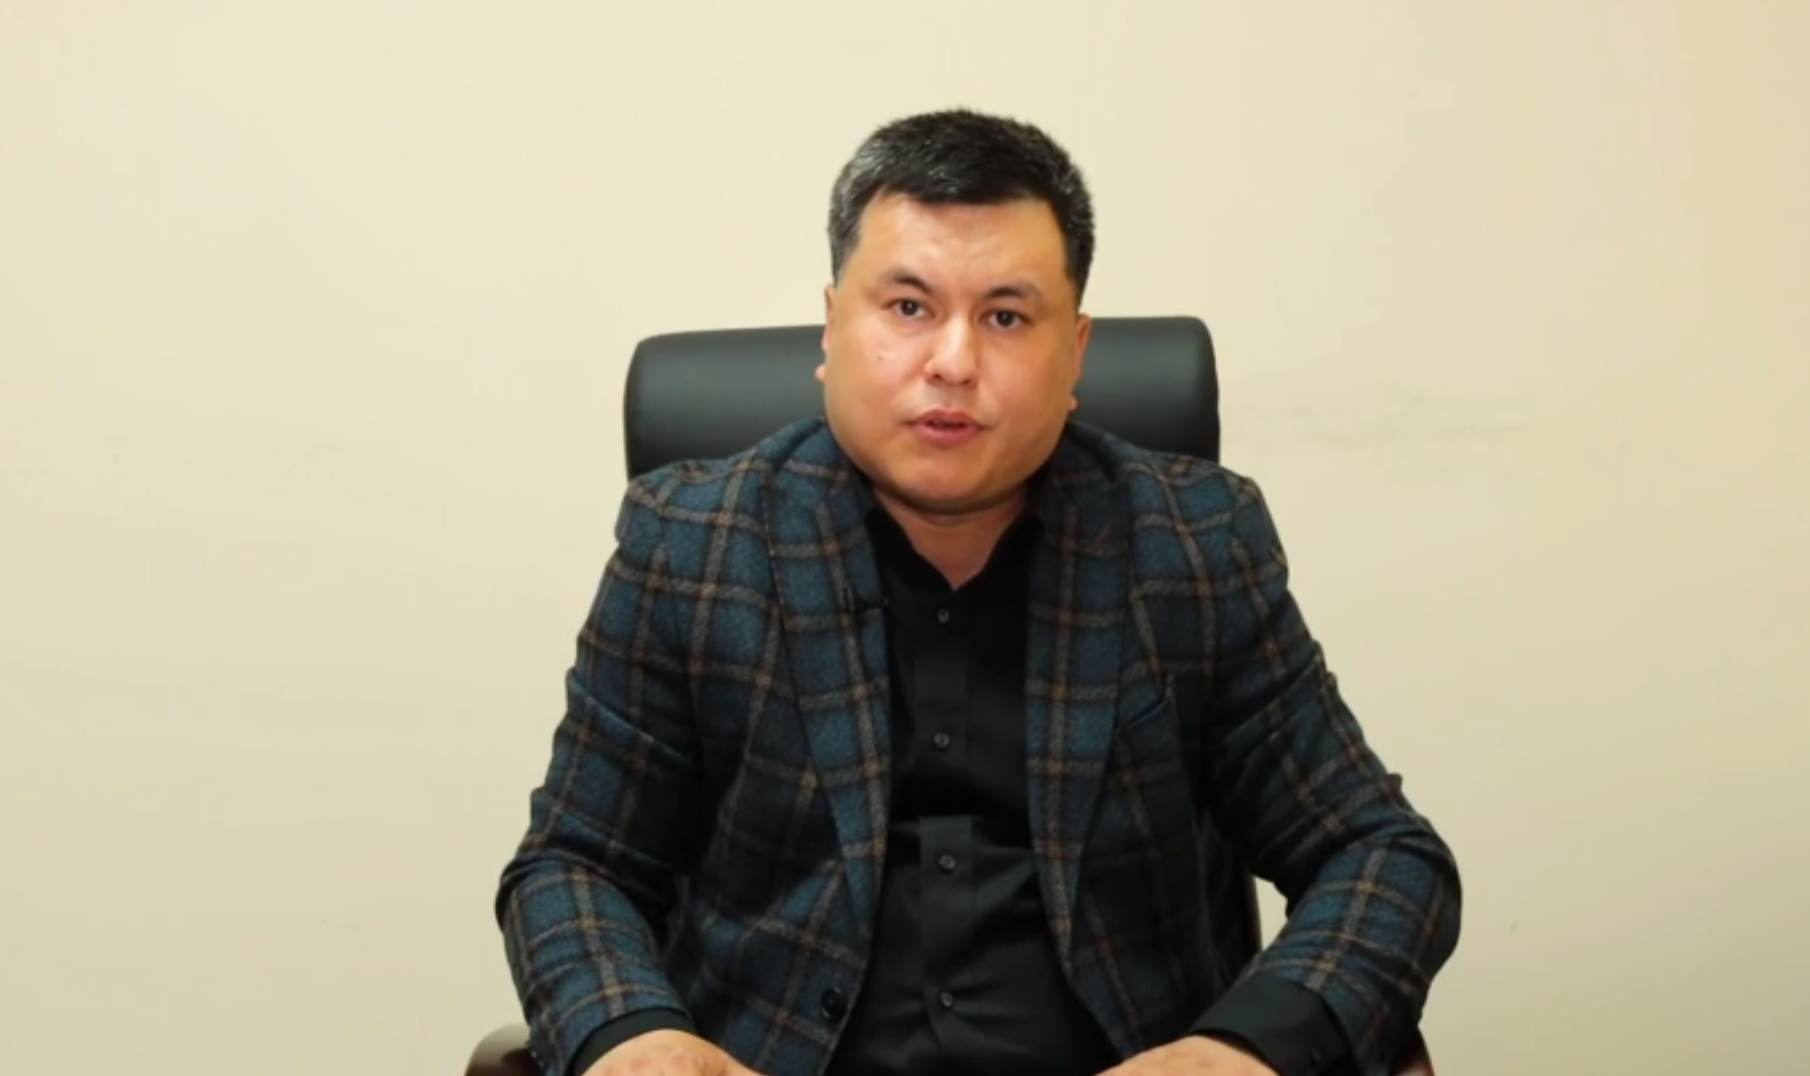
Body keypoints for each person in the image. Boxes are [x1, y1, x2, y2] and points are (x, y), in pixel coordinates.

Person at [495, 108, 1461, 1076]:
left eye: (1005, 317)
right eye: (908, 307)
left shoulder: (1192, 544)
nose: (952, 362)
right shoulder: (692, 544)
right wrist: (636, 1038)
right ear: (831, 326)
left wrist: (1241, 1049)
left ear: (1075, 352)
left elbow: (1380, 855)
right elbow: (575, 864)